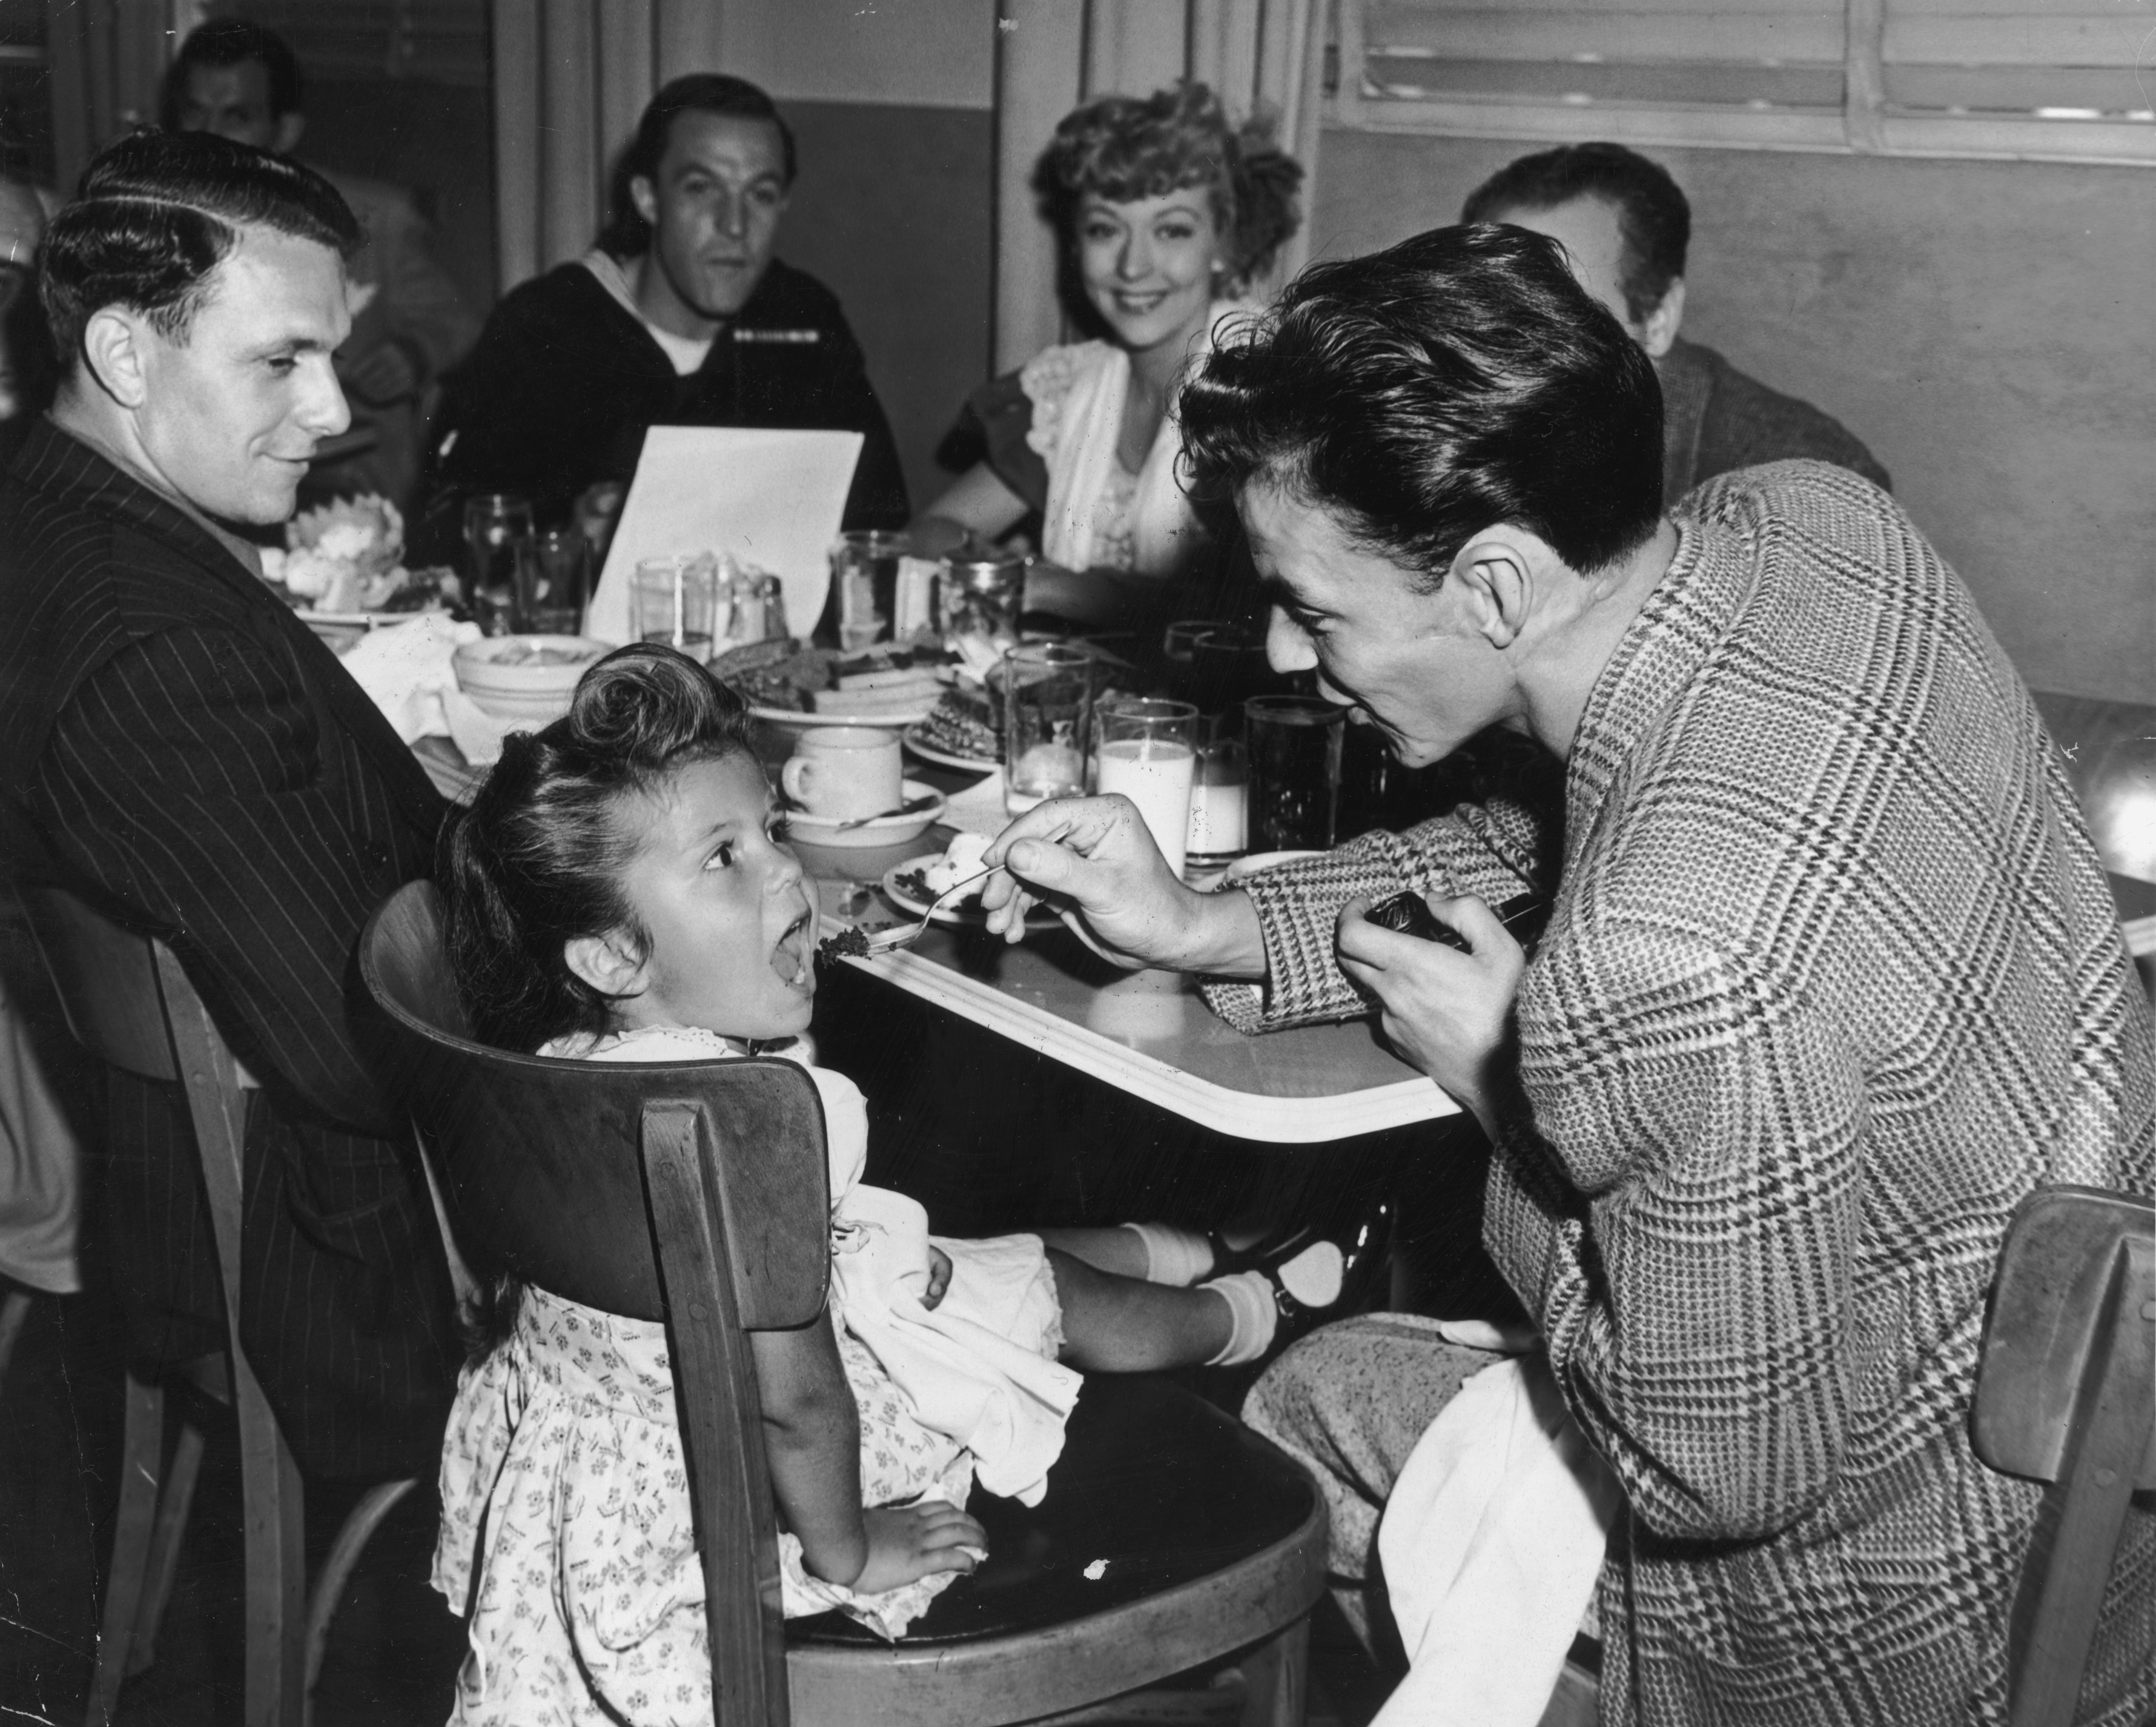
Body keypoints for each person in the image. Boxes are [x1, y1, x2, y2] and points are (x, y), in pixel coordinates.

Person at [975, 226, 2155, 1724]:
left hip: (1891, 1617)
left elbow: (1706, 1476)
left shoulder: (1665, 963)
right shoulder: (1814, 528)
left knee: (1301, 1395)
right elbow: (1559, 812)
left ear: (1493, 585)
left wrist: (1502, 1085)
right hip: (2105, 1488)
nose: (1280, 652)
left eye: (1316, 608)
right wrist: (1216, 926)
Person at [428, 644, 1346, 1720]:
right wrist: (853, 1549)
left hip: (606, 1473)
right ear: (613, 959)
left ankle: (1197, 1248)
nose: (784, 872)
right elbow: (801, 1407)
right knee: (1027, 1293)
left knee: (978, 1261)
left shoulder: (565, 1077)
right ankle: (1243, 1312)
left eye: (771, 831)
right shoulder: (751, 1127)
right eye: (724, 859)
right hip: (728, 1494)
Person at [0, 131, 461, 1479]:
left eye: (331, 353)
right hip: (347, 1269)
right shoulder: (159, 654)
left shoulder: (47, 511)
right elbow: (362, 1045)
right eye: (279, 360)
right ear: (126, 357)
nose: (330, 412)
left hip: (198, 1216)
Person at [423, 73, 907, 559]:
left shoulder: (806, 324)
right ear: (648, 198)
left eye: (760, 194)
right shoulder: (546, 326)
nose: (734, 225)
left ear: (784, 203)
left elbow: (880, 526)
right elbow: (445, 538)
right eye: (701, 189)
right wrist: (567, 538)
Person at [914, 82, 1300, 622]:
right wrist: (1004, 572)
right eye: (1104, 230)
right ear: (1075, 246)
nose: (1132, 267)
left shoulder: (1271, 386)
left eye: (1171, 231)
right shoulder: (1069, 389)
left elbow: (1256, 608)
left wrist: (1069, 590)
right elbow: (931, 532)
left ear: (1224, 244)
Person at [164, 18, 482, 512]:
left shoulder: (372, 218)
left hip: (345, 488)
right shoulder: (156, 227)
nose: (210, 138)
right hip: (199, 490)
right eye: (195, 113)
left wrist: (413, 354)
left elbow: (456, 323)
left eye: (236, 117)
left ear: (284, 131)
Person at [1463, 142, 1890, 504]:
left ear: (1657, 319)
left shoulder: (1809, 481)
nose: (1511, 344)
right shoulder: (1444, 429)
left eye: (1563, 312)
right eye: (1491, 299)